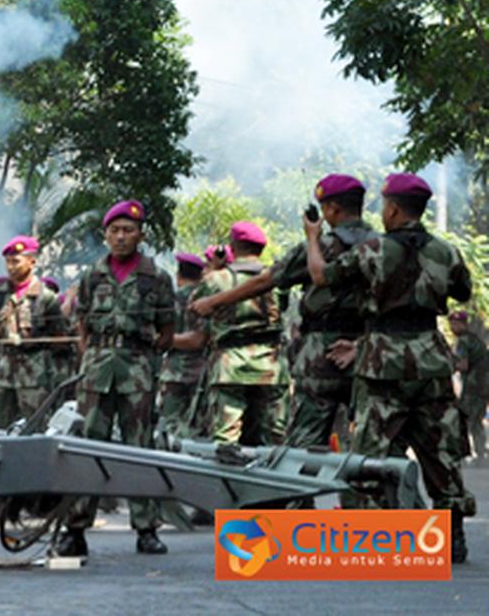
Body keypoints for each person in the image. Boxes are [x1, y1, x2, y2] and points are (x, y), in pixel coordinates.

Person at [304, 172, 475, 563]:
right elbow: (461, 291)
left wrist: (313, 237)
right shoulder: (446, 252)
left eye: (384, 206)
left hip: (383, 360)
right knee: (439, 448)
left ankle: (373, 533)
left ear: (393, 208)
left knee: (370, 448)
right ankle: (453, 533)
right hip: (431, 358)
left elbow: (320, 276)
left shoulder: (373, 250)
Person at [191, 175, 375, 462]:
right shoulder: (382, 247)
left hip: (321, 354)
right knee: (366, 449)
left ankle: (293, 505)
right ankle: (365, 506)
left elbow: (266, 280)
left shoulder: (320, 247)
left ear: (332, 210)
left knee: (300, 450)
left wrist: (212, 301)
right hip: (368, 350)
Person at [62, 200, 174, 558]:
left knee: (139, 449)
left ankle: (146, 530)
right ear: (105, 235)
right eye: (115, 230)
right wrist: (91, 357)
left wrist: (143, 357)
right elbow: (81, 324)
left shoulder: (156, 277)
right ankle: (75, 530)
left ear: (140, 235)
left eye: (128, 230)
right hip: (96, 368)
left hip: (137, 369)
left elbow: (168, 330)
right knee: (86, 448)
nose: (121, 236)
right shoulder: (91, 275)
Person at [182, 222, 287, 447]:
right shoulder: (278, 280)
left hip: (231, 365)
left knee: (226, 437)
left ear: (232, 246)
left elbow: (194, 309)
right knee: (274, 438)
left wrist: (217, 268)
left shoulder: (215, 280)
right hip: (271, 364)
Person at [0, 236, 68, 429]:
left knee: (36, 427)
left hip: (34, 375)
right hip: (0, 374)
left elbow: (60, 338)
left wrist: (33, 344)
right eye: (8, 262)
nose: (11, 267)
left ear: (32, 261)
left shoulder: (46, 298)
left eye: (16, 261)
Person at [158, 252, 208, 438]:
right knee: (197, 429)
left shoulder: (169, 301)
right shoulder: (209, 300)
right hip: (201, 373)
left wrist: (167, 339)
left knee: (169, 426)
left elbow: (159, 336)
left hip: (173, 372)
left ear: (178, 276)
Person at [451, 310, 489, 463]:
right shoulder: (476, 341)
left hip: (473, 388)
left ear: (463, 324)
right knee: (476, 420)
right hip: (483, 386)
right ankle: (480, 454)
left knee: (463, 419)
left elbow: (463, 365)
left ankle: (467, 454)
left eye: (455, 324)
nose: (453, 327)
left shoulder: (464, 341)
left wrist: (448, 365)